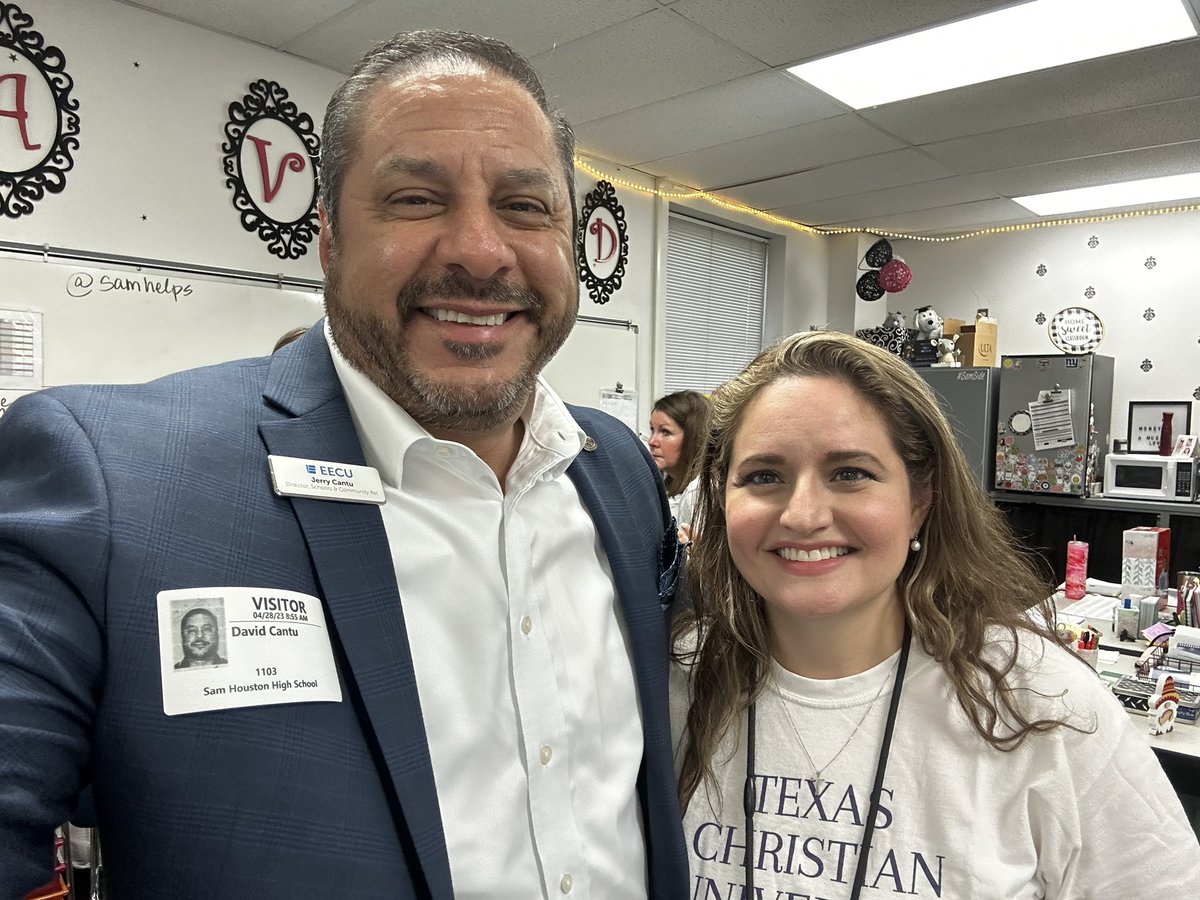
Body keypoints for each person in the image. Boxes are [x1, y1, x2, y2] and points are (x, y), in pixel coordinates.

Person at [0, 30, 688, 899]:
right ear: (327, 237)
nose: (480, 250)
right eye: (415, 198)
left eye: (525, 206)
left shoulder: (618, 469)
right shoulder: (115, 480)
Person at [671, 330, 1200, 899]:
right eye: (763, 476)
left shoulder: (1041, 702)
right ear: (722, 500)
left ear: (920, 502)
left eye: (850, 473)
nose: (802, 515)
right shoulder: (674, 682)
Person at [649, 390, 710, 541]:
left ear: (693, 438)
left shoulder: (697, 494)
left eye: (665, 432)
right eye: (653, 430)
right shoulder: (667, 487)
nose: (652, 442)